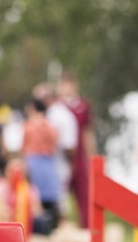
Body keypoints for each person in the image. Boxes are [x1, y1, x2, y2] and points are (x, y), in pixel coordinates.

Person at [33, 81, 78, 221]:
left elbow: (69, 146)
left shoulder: (60, 115)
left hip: (58, 165)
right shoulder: (51, 114)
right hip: (48, 165)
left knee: (60, 202)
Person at [58, 72, 95, 228]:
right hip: (61, 158)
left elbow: (88, 133)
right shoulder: (57, 107)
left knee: (84, 194)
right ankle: (61, 228)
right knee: (61, 196)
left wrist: (91, 156)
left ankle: (86, 228)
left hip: (79, 157)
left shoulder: (83, 106)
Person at [20, 98, 60, 233]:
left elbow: (24, 147)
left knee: (33, 197)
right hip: (48, 163)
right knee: (49, 198)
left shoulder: (28, 126)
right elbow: (55, 144)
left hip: (33, 162)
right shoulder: (51, 127)